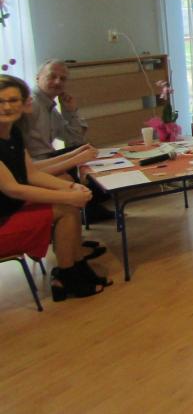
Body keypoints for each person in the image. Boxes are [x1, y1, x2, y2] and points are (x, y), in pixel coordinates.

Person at [0, 75, 111, 301]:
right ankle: (67, 274)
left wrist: (70, 187)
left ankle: (73, 266)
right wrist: (68, 195)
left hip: (11, 207)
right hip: (5, 216)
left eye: (13, 100)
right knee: (66, 207)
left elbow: (30, 174)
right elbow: (13, 188)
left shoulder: (13, 133)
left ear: (22, 103)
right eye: (0, 101)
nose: (7, 107)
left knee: (69, 205)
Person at [19, 59, 114, 223]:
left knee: (85, 150)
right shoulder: (31, 104)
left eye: (62, 79)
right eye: (52, 76)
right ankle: (89, 208)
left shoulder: (50, 107)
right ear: (37, 77)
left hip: (46, 158)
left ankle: (93, 201)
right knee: (80, 165)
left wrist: (71, 111)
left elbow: (74, 138)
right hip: (32, 164)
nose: (58, 82)